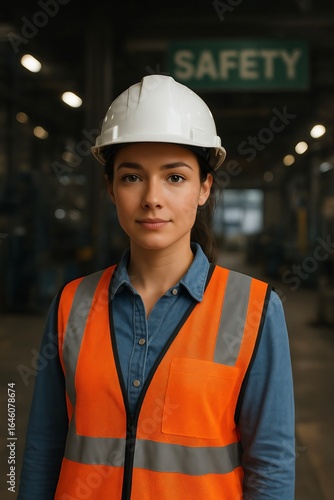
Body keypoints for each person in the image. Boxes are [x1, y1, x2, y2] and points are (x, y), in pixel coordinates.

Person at [18, 74, 295, 499]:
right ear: (109, 188)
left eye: (175, 177)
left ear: (204, 188)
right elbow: (41, 448)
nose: (152, 197)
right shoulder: (71, 304)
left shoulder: (254, 308)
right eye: (131, 177)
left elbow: (271, 463)